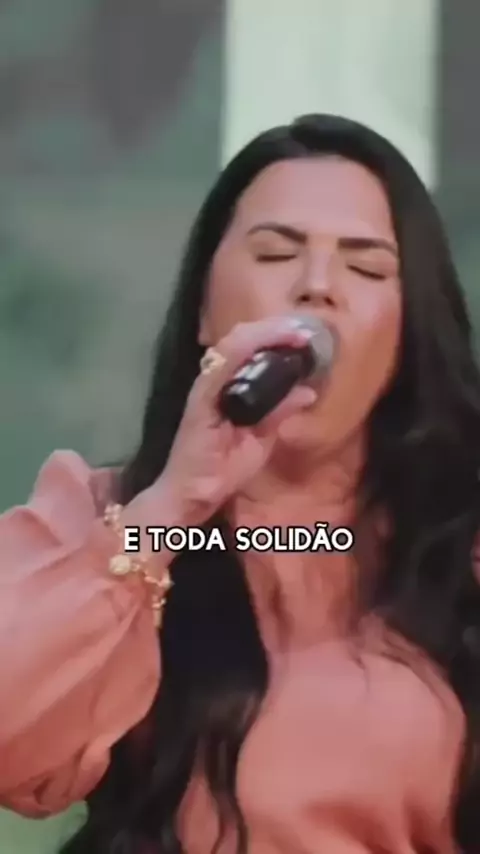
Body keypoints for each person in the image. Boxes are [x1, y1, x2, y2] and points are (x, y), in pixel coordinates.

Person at [1, 113, 480, 854]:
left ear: (407, 334)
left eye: (365, 268)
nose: (317, 286)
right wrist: (173, 506)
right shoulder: (100, 520)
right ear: (204, 308)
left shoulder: (458, 543)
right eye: (277, 253)